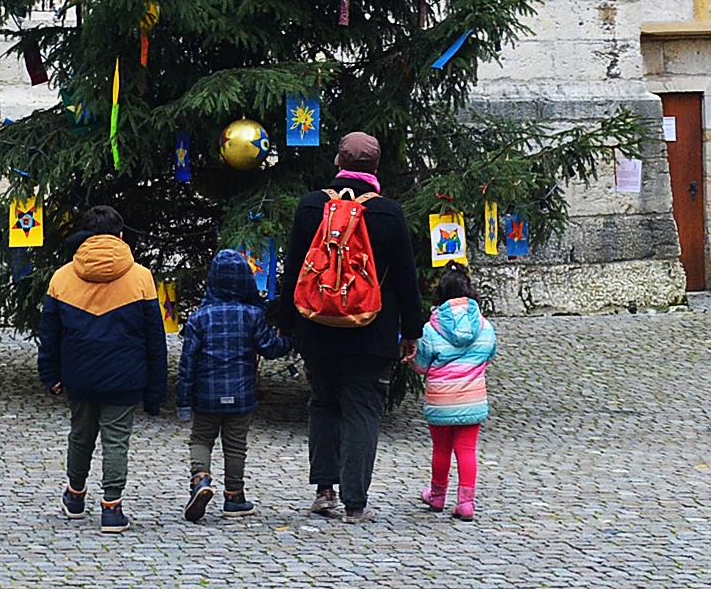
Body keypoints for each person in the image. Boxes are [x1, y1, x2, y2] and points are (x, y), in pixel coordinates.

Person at [276, 130, 425, 523]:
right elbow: (407, 280)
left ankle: (324, 489)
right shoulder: (388, 212)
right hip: (371, 329)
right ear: (375, 169)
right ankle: (355, 502)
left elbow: (293, 269)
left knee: (323, 403)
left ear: (338, 164)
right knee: (363, 410)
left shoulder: (311, 206)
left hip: (317, 325)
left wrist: (287, 324)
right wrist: (411, 331)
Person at [37, 205, 167, 533]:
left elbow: (49, 335)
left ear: (85, 237)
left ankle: (76, 495)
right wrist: (156, 389)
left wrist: (50, 374)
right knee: (116, 440)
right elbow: (155, 340)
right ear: (121, 236)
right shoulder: (141, 277)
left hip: (78, 373)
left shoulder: (61, 278)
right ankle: (112, 507)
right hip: (126, 374)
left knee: (81, 436)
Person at [175, 248, 292, 522]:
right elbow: (270, 348)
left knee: (201, 438)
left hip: (206, 393)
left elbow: (187, 362)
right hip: (241, 394)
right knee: (236, 445)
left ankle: (201, 480)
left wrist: (182, 399)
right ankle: (234, 497)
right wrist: (289, 340)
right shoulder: (252, 315)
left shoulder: (199, 318)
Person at [409, 263, 496, 521]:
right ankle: (466, 503)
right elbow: (488, 355)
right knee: (467, 450)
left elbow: (421, 365)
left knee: (441, 449)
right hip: (472, 399)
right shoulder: (484, 326)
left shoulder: (430, 328)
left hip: (441, 400)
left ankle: (437, 496)